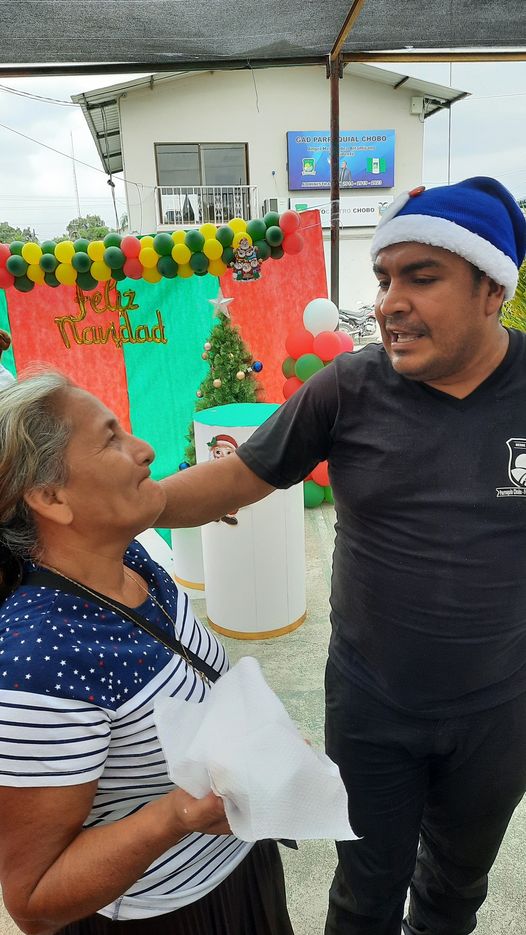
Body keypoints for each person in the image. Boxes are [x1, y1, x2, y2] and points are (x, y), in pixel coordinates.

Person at [156, 176, 526, 935]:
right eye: (385, 279)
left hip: (501, 709)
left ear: (492, 290)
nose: (391, 302)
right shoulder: (347, 388)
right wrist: (122, 508)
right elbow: (237, 476)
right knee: (365, 889)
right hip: (372, 704)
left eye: (422, 277)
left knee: (457, 887)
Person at [0, 373, 294, 935]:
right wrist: (177, 814)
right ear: (51, 498)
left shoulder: (129, 559)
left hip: (239, 863)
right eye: (110, 439)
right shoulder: (37, 664)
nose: (143, 449)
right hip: (164, 914)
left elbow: (230, 481)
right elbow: (33, 901)